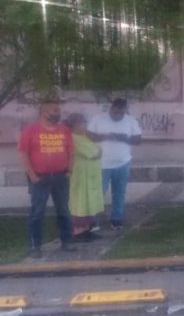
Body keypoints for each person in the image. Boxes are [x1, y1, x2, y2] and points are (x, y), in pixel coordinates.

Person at [18, 100, 76, 257]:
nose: (58, 113)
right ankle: (34, 246)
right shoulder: (30, 130)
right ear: (43, 113)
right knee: (37, 212)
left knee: (64, 210)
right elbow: (24, 154)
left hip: (60, 177)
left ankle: (67, 241)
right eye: (54, 110)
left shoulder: (64, 130)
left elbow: (71, 152)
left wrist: (69, 170)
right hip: (39, 178)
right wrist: (32, 175)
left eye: (58, 110)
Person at [87, 98, 142, 230]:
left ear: (125, 110)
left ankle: (117, 219)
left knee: (119, 193)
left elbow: (138, 140)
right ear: (111, 108)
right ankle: (93, 221)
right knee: (98, 193)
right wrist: (104, 137)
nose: (117, 115)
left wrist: (124, 138)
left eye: (120, 113)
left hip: (123, 163)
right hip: (101, 164)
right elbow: (88, 135)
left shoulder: (130, 121)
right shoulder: (98, 119)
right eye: (115, 112)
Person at [67, 113, 104, 241]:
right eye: (82, 122)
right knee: (80, 203)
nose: (85, 125)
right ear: (75, 124)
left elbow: (97, 150)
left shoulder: (84, 136)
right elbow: (95, 153)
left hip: (90, 177)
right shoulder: (73, 137)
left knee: (89, 203)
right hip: (80, 176)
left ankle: (87, 229)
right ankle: (78, 231)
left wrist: (98, 149)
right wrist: (98, 149)